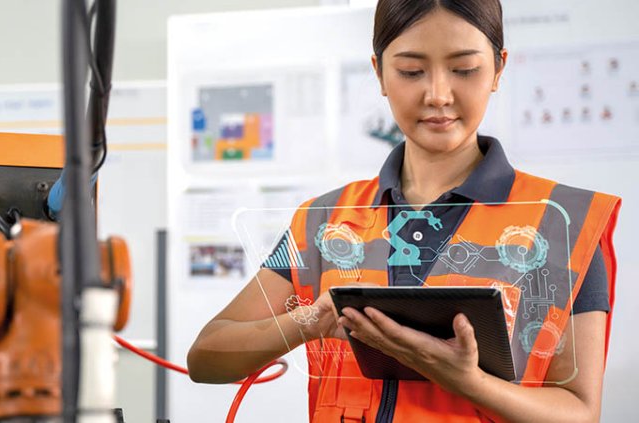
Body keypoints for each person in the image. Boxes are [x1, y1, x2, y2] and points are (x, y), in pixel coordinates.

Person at [187, 0, 621, 421]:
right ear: (378, 72)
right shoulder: (322, 220)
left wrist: (467, 381)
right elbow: (206, 357)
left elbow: (579, 412)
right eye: (411, 71)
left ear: (498, 68)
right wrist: (307, 320)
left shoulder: (564, 222)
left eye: (464, 69)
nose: (438, 95)